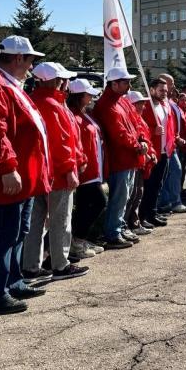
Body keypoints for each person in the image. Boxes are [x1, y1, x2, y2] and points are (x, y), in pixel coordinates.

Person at [0, 36, 51, 313]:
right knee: (2, 235)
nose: (32, 66)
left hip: (21, 177)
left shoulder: (6, 83)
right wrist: (7, 167)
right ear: (18, 59)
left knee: (18, 231)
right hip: (6, 178)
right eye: (31, 60)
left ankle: (13, 281)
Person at [23, 62, 89, 282]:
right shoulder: (52, 104)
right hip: (58, 173)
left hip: (42, 172)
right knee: (61, 218)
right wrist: (70, 168)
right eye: (63, 79)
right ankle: (61, 265)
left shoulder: (39, 101)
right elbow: (60, 142)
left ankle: (31, 266)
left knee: (37, 220)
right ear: (55, 80)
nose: (66, 83)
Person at [93, 67, 147, 249]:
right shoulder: (106, 104)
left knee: (126, 195)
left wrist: (142, 139)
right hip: (120, 160)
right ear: (114, 84)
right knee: (119, 197)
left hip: (130, 157)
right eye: (126, 82)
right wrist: (138, 145)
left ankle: (120, 226)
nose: (129, 86)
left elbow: (136, 123)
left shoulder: (121, 102)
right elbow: (119, 133)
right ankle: (113, 232)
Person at [67, 79, 107, 259]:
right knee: (99, 202)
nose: (91, 96)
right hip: (86, 170)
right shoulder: (73, 115)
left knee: (84, 206)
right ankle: (78, 240)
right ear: (79, 96)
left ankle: (79, 240)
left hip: (94, 168)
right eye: (88, 93)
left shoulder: (85, 113)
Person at [140, 78, 173, 226]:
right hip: (152, 152)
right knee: (149, 185)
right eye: (161, 90)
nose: (164, 93)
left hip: (165, 150)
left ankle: (152, 212)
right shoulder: (146, 106)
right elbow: (139, 128)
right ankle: (143, 216)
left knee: (158, 185)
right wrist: (153, 131)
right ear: (152, 90)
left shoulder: (164, 105)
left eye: (165, 90)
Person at [157, 73, 186, 214]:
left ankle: (172, 201)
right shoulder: (159, 103)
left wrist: (177, 137)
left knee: (175, 171)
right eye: (171, 83)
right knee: (168, 173)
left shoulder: (171, 103)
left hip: (172, 144)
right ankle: (168, 202)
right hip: (164, 146)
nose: (173, 86)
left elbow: (173, 125)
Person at [124, 91, 155, 239]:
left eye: (142, 102)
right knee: (133, 195)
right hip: (135, 160)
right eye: (139, 103)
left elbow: (147, 139)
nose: (143, 105)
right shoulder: (131, 119)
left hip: (142, 161)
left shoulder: (139, 119)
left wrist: (152, 152)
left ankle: (135, 222)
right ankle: (130, 224)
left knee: (138, 193)